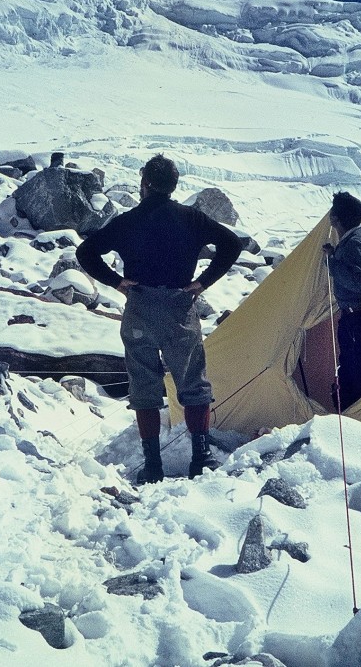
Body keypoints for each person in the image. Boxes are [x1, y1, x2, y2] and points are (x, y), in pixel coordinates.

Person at [76, 154, 242, 483]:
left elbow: (86, 253)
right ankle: (201, 457)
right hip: (180, 308)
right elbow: (232, 245)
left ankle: (153, 465)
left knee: (144, 388)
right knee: (193, 385)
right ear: (173, 185)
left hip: (140, 308)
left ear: (145, 184)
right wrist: (201, 283)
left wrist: (117, 282)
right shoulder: (191, 218)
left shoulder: (129, 220)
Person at [323, 191, 361, 410]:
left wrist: (332, 263)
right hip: (359, 320)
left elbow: (359, 282)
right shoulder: (355, 241)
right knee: (352, 372)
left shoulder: (355, 244)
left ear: (336, 219)